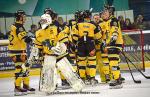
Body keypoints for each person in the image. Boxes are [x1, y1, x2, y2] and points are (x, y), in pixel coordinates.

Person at [8, 10, 35, 96]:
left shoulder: (16, 26)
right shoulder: (18, 26)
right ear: (20, 17)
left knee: (25, 69)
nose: (25, 18)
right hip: (17, 51)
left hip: (20, 51)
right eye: (24, 16)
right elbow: (25, 39)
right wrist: (35, 40)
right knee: (20, 68)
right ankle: (17, 87)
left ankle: (26, 85)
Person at [72, 10, 102, 85]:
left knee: (81, 63)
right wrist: (98, 42)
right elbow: (98, 37)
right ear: (90, 16)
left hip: (81, 45)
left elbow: (74, 37)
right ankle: (92, 78)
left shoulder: (78, 25)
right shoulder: (94, 24)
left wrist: (74, 44)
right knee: (92, 62)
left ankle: (82, 78)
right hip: (90, 44)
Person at [99, 5, 124, 88]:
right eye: (103, 14)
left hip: (115, 44)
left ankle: (117, 80)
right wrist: (104, 42)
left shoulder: (113, 20)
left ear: (109, 14)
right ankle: (117, 77)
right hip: (110, 44)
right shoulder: (105, 22)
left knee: (113, 62)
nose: (104, 15)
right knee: (113, 62)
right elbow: (105, 35)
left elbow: (115, 31)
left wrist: (113, 38)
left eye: (106, 13)